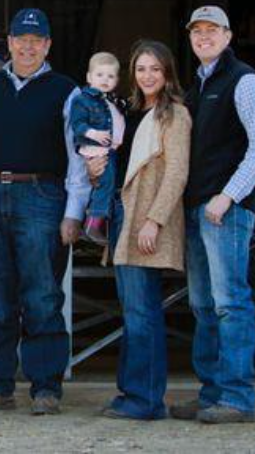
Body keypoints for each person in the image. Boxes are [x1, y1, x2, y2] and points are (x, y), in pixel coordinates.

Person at [0, 8, 89, 416]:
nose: (28, 46)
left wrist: (74, 212)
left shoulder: (66, 91)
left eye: (37, 40)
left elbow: (78, 158)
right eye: (21, 39)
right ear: (10, 44)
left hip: (41, 194)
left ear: (48, 44)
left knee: (41, 294)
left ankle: (45, 386)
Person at [169, 5, 255, 424]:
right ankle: (212, 392)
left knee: (231, 301)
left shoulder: (243, 80)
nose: (204, 37)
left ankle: (236, 397)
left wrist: (228, 196)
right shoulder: (196, 87)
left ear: (229, 36)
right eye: (197, 31)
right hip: (196, 209)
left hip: (223, 211)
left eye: (213, 30)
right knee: (203, 304)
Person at [86, 40, 191, 421]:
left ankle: (145, 399)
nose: (148, 76)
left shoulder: (174, 115)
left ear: (167, 74)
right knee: (133, 311)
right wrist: (94, 169)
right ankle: (131, 393)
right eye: (142, 69)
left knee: (142, 311)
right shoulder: (126, 111)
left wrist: (155, 220)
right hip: (121, 213)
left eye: (155, 69)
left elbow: (177, 172)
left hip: (146, 219)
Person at [69, 51, 126, 245]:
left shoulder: (113, 101)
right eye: (99, 75)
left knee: (107, 185)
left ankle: (99, 221)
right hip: (95, 148)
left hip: (109, 149)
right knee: (106, 183)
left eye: (110, 76)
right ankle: (93, 222)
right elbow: (77, 124)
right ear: (89, 77)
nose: (105, 80)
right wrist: (94, 134)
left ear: (117, 80)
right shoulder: (83, 99)